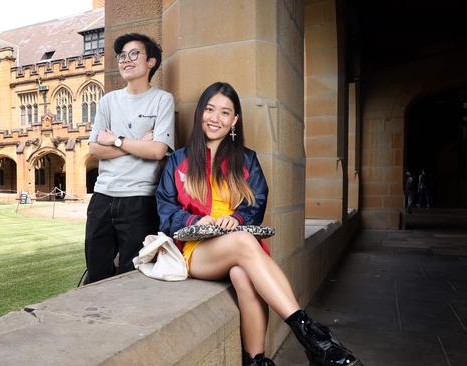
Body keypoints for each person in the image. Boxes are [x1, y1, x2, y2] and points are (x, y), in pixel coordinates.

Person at [156, 82, 361, 366]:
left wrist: (236, 218)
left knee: (243, 275)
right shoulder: (178, 159)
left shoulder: (246, 159)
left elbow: (256, 204)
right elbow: (166, 212)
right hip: (197, 250)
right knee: (244, 243)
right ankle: (316, 340)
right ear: (200, 112)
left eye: (225, 113)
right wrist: (196, 219)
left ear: (235, 120)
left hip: (238, 245)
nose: (215, 118)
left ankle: (257, 361)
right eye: (210, 109)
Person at [85, 33, 175, 283]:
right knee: (96, 275)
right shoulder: (108, 101)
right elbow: (94, 149)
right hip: (102, 198)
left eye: (134, 54)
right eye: (122, 56)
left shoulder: (162, 100)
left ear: (151, 62)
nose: (126, 60)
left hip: (139, 200)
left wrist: (116, 140)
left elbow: (158, 151)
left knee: (132, 277)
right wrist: (138, 144)